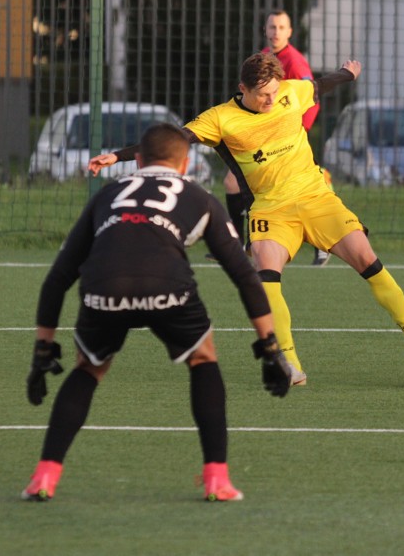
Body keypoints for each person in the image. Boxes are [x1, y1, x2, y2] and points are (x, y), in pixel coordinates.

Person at [89, 53, 404, 387]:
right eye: (263, 94)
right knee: (267, 277)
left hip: (317, 198)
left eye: (274, 92)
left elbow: (320, 85)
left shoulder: (290, 92)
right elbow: (172, 140)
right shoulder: (220, 119)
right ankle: (291, 364)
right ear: (243, 89)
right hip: (270, 209)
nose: (271, 99)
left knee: (368, 260)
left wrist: (347, 74)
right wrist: (117, 156)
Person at [22, 123, 291, 503]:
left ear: (139, 161)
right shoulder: (198, 196)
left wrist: (42, 351)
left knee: (89, 368)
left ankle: (44, 476)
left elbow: (58, 278)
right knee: (203, 358)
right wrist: (269, 348)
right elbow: (245, 276)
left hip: (104, 288)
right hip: (168, 288)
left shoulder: (107, 195)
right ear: (183, 166)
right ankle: (217, 479)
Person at [219, 9, 332, 266]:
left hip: (288, 139)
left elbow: (312, 97)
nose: (276, 32)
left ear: (290, 32)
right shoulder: (265, 57)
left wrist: (298, 129)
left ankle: (322, 245)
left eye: (281, 27)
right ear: (265, 30)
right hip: (266, 137)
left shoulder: (294, 60)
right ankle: (240, 243)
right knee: (233, 182)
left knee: (304, 191)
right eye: (272, 27)